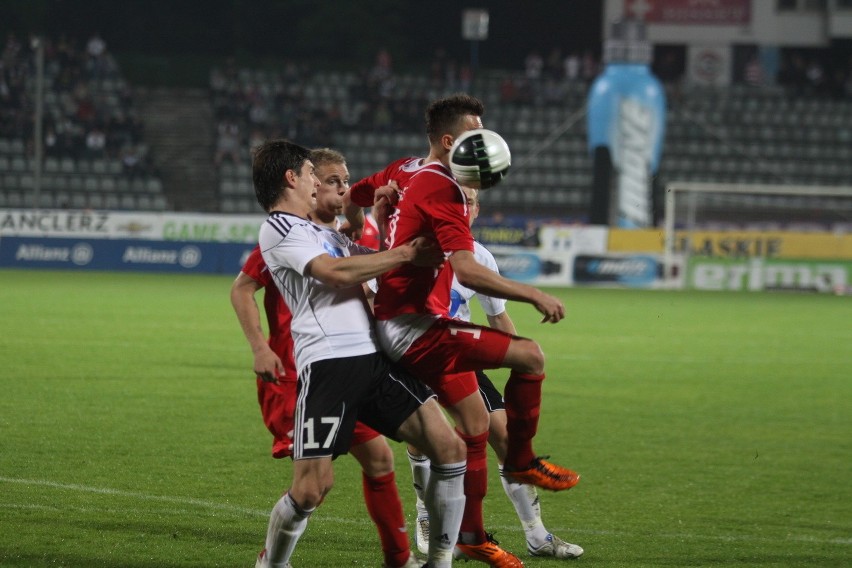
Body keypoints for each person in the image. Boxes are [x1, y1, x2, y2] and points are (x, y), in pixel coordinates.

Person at [349, 93, 579, 567]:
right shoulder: (443, 189)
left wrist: (364, 219)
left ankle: (472, 535)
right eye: (476, 133)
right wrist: (534, 293)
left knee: (474, 426)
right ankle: (521, 460)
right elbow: (468, 272)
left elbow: (357, 194)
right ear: (452, 142)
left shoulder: (403, 170)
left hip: (409, 322)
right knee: (531, 355)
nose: (486, 142)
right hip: (415, 328)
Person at [251, 138, 467, 568]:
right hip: (329, 365)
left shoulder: (323, 231)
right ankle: (271, 565)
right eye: (313, 174)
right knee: (311, 489)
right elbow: (334, 273)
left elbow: (375, 264)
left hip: (371, 359)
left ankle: (438, 562)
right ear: (292, 178)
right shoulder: (279, 228)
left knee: (450, 448)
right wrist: (404, 253)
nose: (317, 182)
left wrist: (396, 221)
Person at [406, 186, 584, 561]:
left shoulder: (480, 256)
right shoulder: (415, 246)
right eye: (458, 200)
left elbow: (497, 316)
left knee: (504, 437)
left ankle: (537, 535)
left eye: (470, 202)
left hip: (460, 356)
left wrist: (517, 356)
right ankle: (426, 516)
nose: (464, 207)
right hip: (416, 353)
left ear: (477, 210)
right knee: (424, 440)